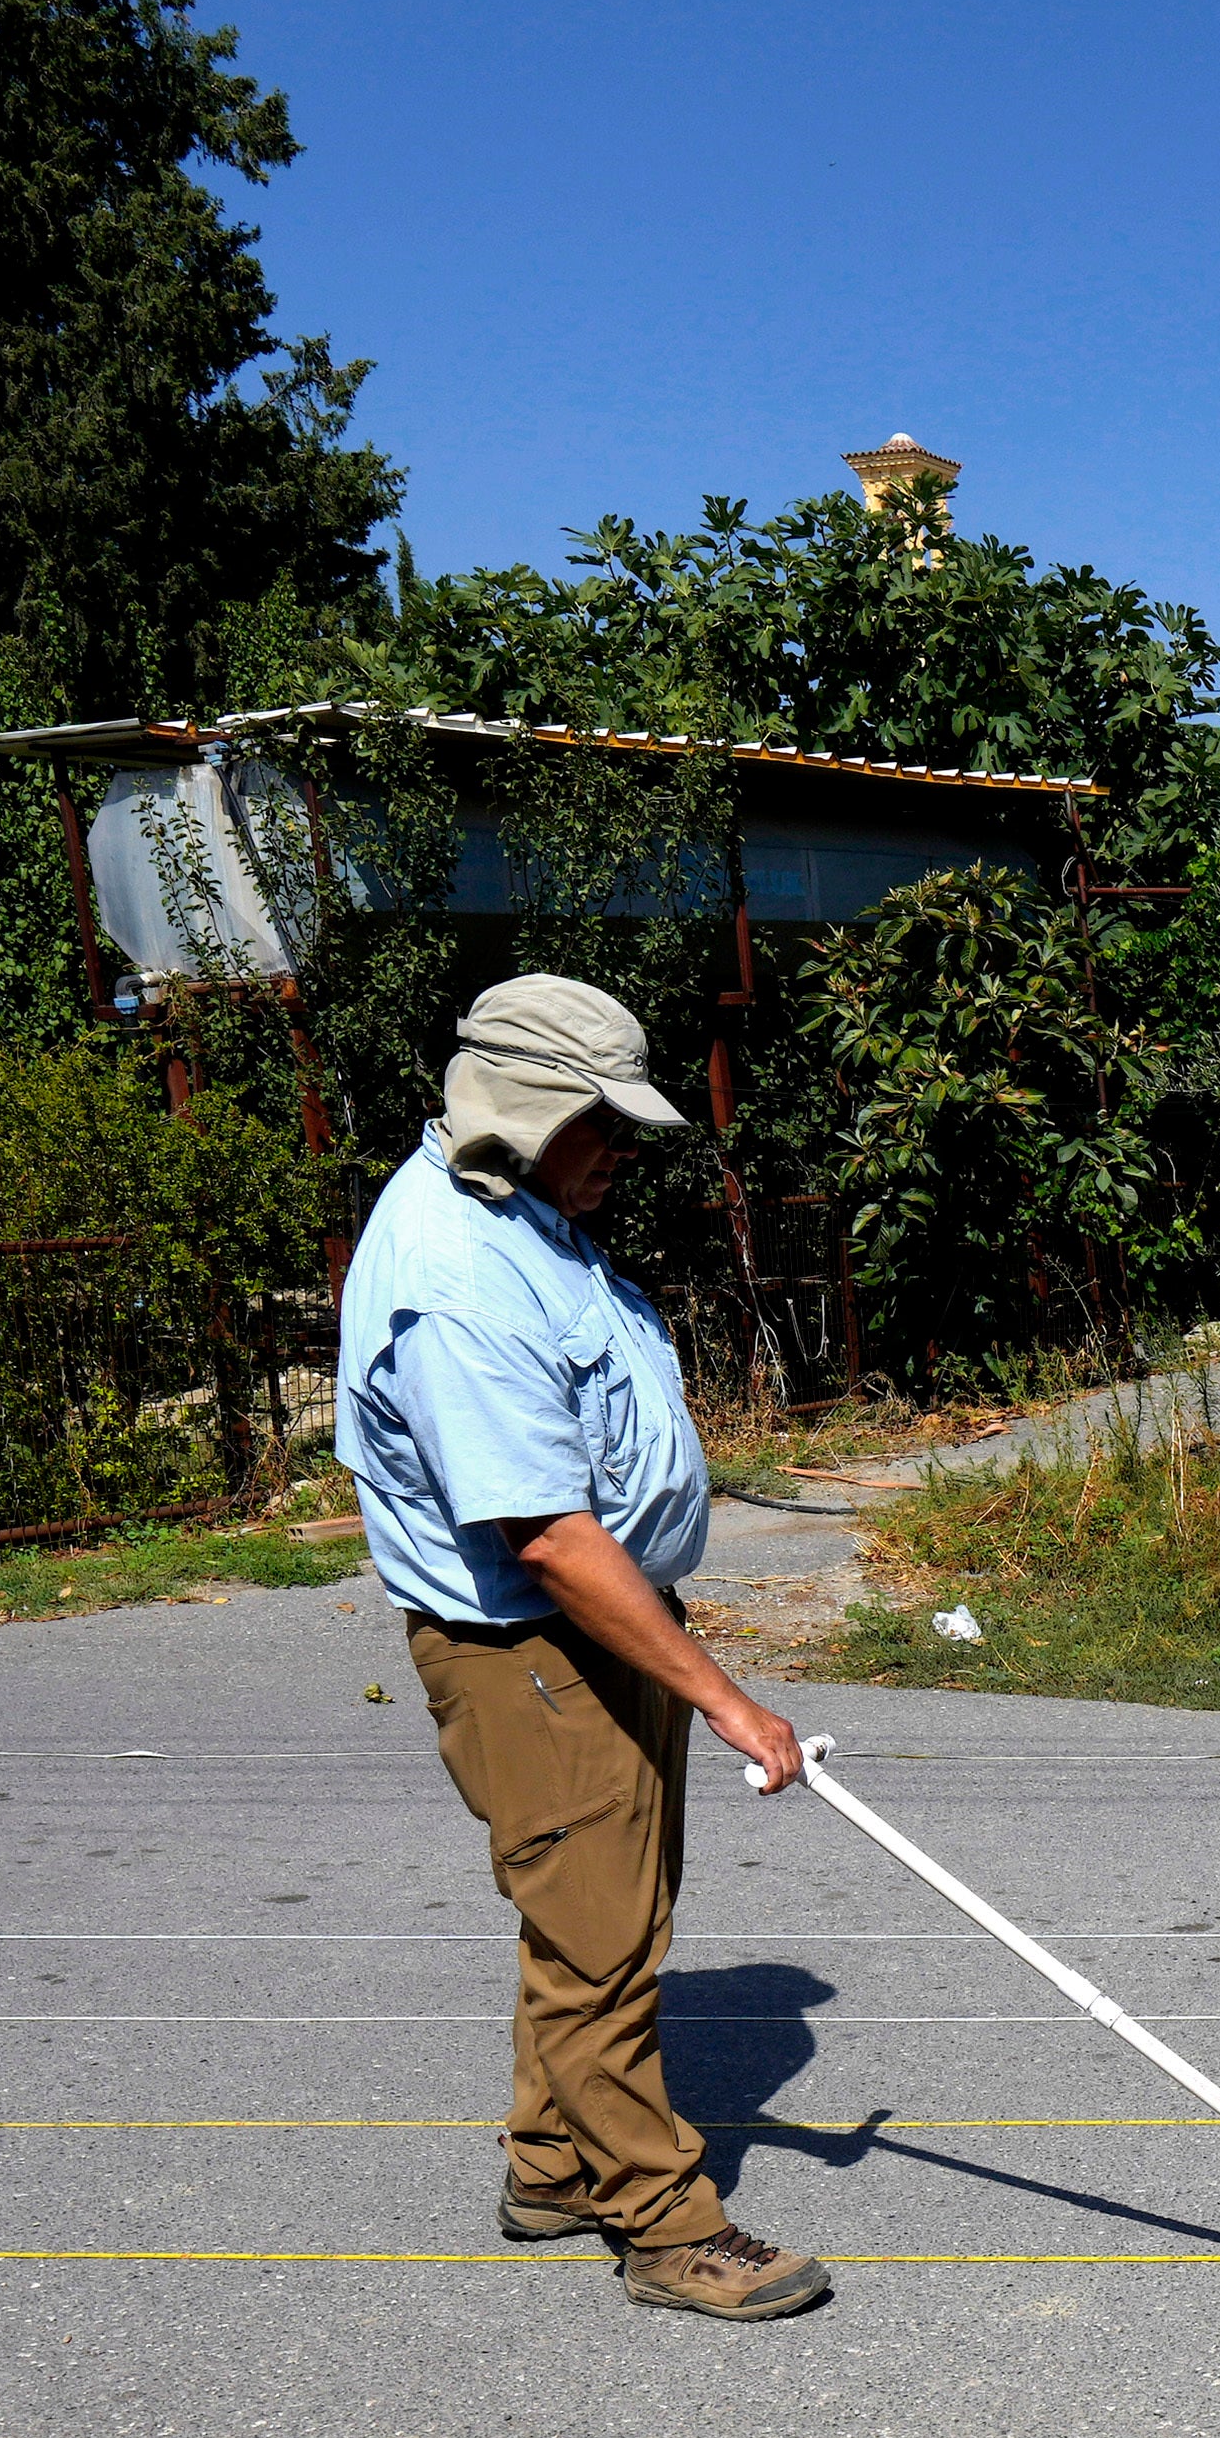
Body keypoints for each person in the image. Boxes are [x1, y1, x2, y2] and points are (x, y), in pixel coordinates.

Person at [338, 974, 833, 2322]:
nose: (623, 1146)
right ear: (526, 1107)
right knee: (603, 1941)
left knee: (591, 1923)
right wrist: (730, 1702)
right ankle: (666, 2224)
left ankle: (552, 2166)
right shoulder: (451, 1278)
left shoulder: (518, 1216)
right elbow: (547, 1534)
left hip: (587, 1626)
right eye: (602, 1121)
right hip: (530, 1644)